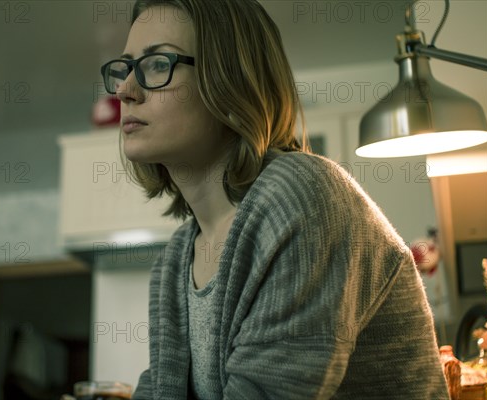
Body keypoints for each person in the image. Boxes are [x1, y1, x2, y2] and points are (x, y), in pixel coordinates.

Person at [99, 0, 450, 398]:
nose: (125, 90)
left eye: (158, 64)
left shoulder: (304, 195)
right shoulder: (177, 259)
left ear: (230, 78)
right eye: (124, 69)